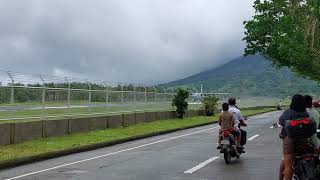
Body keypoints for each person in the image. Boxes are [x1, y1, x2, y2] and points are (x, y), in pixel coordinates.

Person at [278, 94, 310, 180]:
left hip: (289, 139)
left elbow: (281, 121)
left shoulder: (288, 111)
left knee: (287, 166)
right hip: (303, 139)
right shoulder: (305, 113)